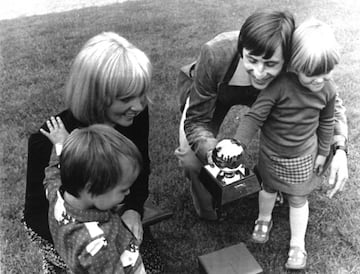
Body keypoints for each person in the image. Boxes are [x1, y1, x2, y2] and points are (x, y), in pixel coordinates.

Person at [174, 10, 348, 221]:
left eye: (271, 64)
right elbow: (196, 120)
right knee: (190, 158)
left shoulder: (297, 57)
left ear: (288, 60)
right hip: (220, 95)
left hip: (274, 98)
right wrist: (213, 153)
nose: (258, 71)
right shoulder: (215, 54)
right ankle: (207, 210)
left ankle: (276, 180)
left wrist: (340, 149)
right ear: (241, 50)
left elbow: (331, 107)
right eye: (252, 60)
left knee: (321, 134)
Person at [23, 32, 163, 273]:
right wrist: (88, 241)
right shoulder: (46, 141)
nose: (139, 106)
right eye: (127, 98)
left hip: (112, 218)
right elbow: (37, 214)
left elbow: (139, 169)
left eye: (141, 94)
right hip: (70, 239)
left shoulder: (134, 115)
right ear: (96, 96)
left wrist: (132, 208)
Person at [234, 18, 341, 270]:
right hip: (272, 155)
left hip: (304, 156)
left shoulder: (328, 90)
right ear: (295, 65)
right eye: (311, 75)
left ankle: (297, 244)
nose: (319, 81)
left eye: (326, 74)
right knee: (268, 189)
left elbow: (327, 121)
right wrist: (237, 143)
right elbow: (254, 116)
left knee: (298, 199)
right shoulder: (278, 86)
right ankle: (263, 218)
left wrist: (324, 152)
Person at [42, 122, 146, 273]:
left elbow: (53, 173)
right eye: (123, 190)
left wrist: (61, 145)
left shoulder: (56, 196)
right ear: (92, 190)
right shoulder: (98, 244)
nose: (128, 192)